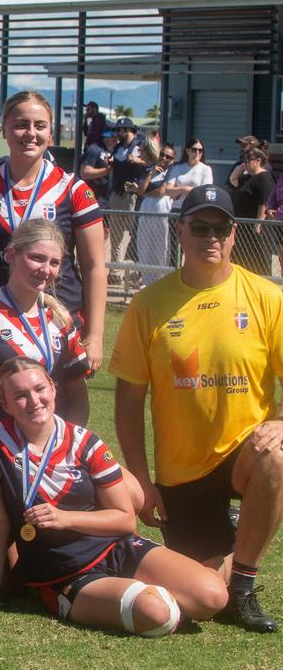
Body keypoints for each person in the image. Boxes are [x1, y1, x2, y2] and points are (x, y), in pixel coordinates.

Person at [111, 184, 283, 633]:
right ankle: (233, 550)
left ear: (233, 235)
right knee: (204, 598)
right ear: (180, 231)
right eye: (201, 227)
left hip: (243, 453)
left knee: (277, 458)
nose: (212, 237)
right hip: (181, 473)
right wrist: (141, 480)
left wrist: (281, 425)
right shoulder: (149, 304)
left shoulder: (266, 297)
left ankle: (244, 584)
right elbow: (129, 398)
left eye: (221, 228)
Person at [0, 357, 227, 636]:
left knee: (213, 597)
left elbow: (125, 520)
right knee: (156, 615)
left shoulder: (85, 441)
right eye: (20, 396)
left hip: (117, 548)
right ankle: (134, 594)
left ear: (53, 389)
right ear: (5, 403)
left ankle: (159, 583)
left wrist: (64, 518)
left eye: (39, 389)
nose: (34, 400)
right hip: (66, 572)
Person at [0, 90, 106, 370]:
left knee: (59, 409)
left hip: (60, 316)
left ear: (50, 134)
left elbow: (94, 266)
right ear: (4, 129)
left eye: (40, 125)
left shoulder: (74, 189)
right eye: (21, 124)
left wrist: (95, 335)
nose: (30, 133)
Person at [0, 218, 91, 425]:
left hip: (49, 451)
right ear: (11, 255)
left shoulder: (61, 320)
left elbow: (78, 398)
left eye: (54, 262)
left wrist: (66, 446)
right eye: (37, 258)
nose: (46, 269)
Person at [135, 142, 176, 286]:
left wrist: (145, 193)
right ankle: (146, 279)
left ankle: (161, 280)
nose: (164, 158)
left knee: (161, 246)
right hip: (146, 208)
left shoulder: (171, 171)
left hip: (162, 209)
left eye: (168, 157)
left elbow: (161, 192)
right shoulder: (150, 170)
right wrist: (151, 172)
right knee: (145, 244)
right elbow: (140, 189)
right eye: (162, 155)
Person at [107, 118, 146, 267]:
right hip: (117, 195)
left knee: (130, 234)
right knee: (116, 235)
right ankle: (116, 269)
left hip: (132, 197)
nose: (117, 133)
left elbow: (153, 164)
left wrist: (139, 161)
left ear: (128, 130)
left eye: (119, 130)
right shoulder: (118, 148)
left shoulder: (140, 146)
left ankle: (126, 268)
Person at [230, 147, 273, 276]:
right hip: (241, 227)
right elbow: (233, 180)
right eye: (244, 160)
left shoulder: (264, 178)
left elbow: (264, 203)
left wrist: (258, 223)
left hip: (253, 228)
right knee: (240, 259)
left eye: (248, 160)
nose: (245, 163)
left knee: (257, 261)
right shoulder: (247, 178)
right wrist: (242, 166)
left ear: (258, 161)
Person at [161, 137, 213, 212]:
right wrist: (183, 189)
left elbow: (205, 192)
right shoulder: (177, 168)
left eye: (200, 150)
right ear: (187, 151)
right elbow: (168, 190)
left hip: (195, 209)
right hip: (177, 209)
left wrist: (179, 190)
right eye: (194, 150)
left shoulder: (206, 169)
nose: (197, 152)